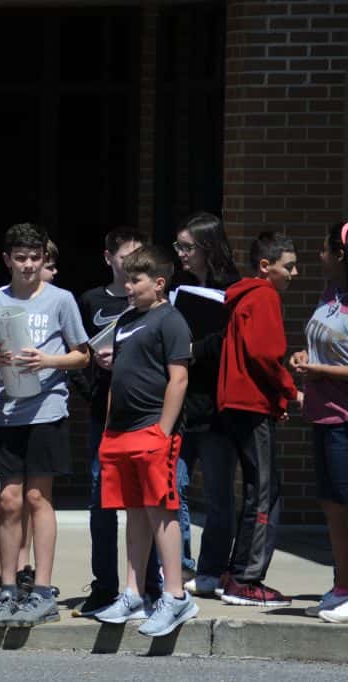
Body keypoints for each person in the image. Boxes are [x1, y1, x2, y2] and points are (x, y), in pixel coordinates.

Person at [0, 222, 89, 629]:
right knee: (8, 500)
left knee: (37, 498)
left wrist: (48, 361)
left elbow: (82, 355)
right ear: (7, 260)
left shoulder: (61, 299)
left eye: (34, 258)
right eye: (20, 258)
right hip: (5, 411)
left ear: (44, 259)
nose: (28, 265)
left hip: (46, 409)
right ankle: (8, 586)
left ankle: (42, 589)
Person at [93, 244, 198, 637]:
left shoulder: (171, 320)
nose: (128, 286)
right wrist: (108, 429)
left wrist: (163, 432)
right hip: (119, 433)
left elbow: (179, 379)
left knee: (161, 510)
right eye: (127, 278)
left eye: (136, 280)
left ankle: (175, 596)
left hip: (153, 429)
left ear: (159, 283)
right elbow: (117, 378)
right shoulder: (125, 320)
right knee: (134, 512)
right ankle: (134, 593)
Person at [71, 228, 164, 616]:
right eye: (126, 257)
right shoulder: (92, 300)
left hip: (143, 413)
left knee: (149, 500)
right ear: (109, 258)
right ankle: (105, 585)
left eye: (140, 255)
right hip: (104, 415)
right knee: (102, 500)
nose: (133, 265)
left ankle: (150, 585)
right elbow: (75, 354)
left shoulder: (152, 304)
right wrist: (92, 381)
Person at [216, 232, 301, 607]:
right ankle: (247, 580)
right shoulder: (264, 295)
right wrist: (289, 391)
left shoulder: (244, 296)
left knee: (256, 490)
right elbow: (265, 355)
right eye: (289, 266)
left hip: (238, 404)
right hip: (251, 405)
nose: (294, 274)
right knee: (265, 493)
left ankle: (236, 573)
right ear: (265, 266)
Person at [170, 212, 241, 596]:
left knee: (217, 493)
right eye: (178, 246)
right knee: (173, 486)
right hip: (181, 402)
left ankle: (212, 568)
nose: (181, 254)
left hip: (216, 405)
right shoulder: (177, 287)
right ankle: (179, 563)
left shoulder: (231, 288)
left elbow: (229, 339)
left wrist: (194, 348)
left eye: (187, 247)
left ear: (208, 247)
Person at [290, 222, 348, 623]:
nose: (320, 256)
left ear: (341, 255)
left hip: (345, 418)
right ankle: (341, 586)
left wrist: (320, 370)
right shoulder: (332, 293)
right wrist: (303, 356)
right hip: (323, 413)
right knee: (333, 506)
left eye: (326, 250)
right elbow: (323, 344)